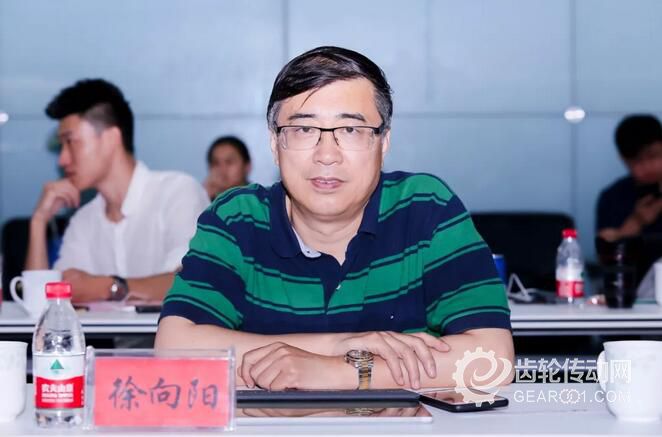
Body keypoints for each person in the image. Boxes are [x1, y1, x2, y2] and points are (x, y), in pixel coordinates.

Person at [156, 47, 514, 391]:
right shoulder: (236, 219)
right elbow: (173, 350)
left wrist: (335, 371)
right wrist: (340, 345)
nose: (327, 155)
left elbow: (494, 359)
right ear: (275, 144)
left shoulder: (425, 207)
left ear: (383, 143)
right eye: (303, 130)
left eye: (350, 130)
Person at [25, 79, 209, 302]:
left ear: (111, 138)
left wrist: (110, 287)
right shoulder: (84, 220)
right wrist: (39, 221)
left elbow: (196, 281)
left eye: (70, 142)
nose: (62, 160)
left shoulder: (177, 193)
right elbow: (43, 303)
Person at [597, 115, 662, 242]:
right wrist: (637, 221)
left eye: (653, 156)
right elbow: (605, 251)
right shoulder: (612, 198)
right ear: (624, 160)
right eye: (637, 161)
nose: (647, 167)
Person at [204, 135, 252, 200]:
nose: (222, 169)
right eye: (216, 163)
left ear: (247, 166)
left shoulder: (259, 201)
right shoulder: (204, 198)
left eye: (229, 162)